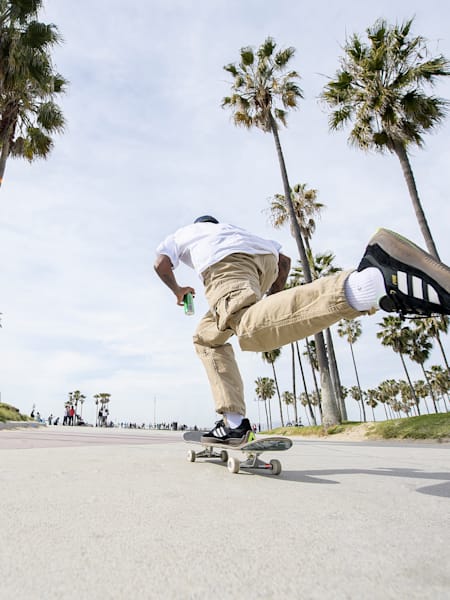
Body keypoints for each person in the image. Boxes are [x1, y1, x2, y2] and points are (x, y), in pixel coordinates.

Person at [154, 216, 450, 446]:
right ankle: (234, 424)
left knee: (247, 326)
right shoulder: (234, 229)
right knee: (205, 338)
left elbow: (161, 265)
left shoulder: (184, 233)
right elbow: (284, 262)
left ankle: (367, 283)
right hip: (263, 263)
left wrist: (178, 290)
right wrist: (273, 297)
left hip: (225, 266)